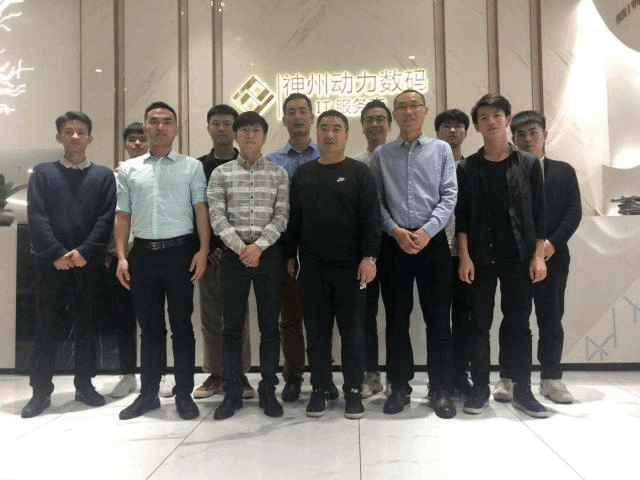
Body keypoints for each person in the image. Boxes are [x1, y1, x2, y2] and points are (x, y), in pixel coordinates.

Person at [456, 94, 549, 418]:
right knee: (478, 325)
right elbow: (462, 218)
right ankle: (480, 389)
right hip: (480, 258)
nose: (491, 121)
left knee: (519, 325)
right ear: (477, 126)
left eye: (496, 115)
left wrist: (538, 256)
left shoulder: (528, 164)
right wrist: (464, 257)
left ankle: (522, 390)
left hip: (519, 257)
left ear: (508, 119)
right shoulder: (467, 167)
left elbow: (539, 215)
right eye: (483, 117)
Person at [115, 101, 209, 421]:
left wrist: (203, 250)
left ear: (176, 129)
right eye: (153, 121)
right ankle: (148, 395)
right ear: (145, 127)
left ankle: (183, 394)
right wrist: (122, 257)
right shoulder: (128, 169)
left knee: (182, 327)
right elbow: (122, 215)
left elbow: (200, 210)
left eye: (166, 121)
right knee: (150, 329)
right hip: (142, 256)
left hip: (181, 254)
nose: (159, 126)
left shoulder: (191, 167)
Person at [22, 111, 116, 418]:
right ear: (59, 137)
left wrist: (84, 251)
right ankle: (40, 392)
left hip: (88, 263)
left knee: (87, 325)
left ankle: (85, 385)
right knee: (45, 326)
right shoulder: (43, 174)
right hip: (50, 264)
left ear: (90, 137)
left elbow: (106, 218)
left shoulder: (103, 176)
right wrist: (56, 253)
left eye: (80, 131)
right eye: (68, 131)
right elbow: (37, 215)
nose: (75, 136)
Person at [287, 110, 380, 419]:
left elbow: (371, 219)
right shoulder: (303, 174)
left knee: (353, 332)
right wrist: (289, 256)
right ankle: (321, 388)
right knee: (316, 331)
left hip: (352, 268)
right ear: (317, 134)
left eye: (337, 128)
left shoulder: (359, 173)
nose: (330, 134)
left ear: (346, 135)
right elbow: (294, 219)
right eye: (324, 128)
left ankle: (353, 390)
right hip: (312, 267)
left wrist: (369, 257)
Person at [371, 89, 457, 419]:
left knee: (439, 319)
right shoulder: (382, 155)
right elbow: (376, 201)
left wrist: (427, 231)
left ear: (425, 111)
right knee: (396, 319)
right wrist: (395, 230)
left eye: (414, 106)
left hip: (432, 243)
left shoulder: (441, 150)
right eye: (402, 107)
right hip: (395, 244)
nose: (408, 112)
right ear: (395, 115)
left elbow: (449, 196)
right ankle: (399, 386)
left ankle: (441, 388)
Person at [492, 110, 581, 404]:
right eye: (520, 134)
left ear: (545, 135)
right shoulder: (507, 170)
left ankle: (551, 378)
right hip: (516, 260)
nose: (528, 139)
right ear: (513, 138)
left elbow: (573, 212)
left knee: (551, 318)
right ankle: (508, 376)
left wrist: (551, 244)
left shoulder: (563, 171)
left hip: (554, 257)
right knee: (513, 319)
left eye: (533, 133)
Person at [209, 111, 289, 420]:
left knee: (270, 327)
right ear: (236, 136)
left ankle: (268, 390)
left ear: (265, 136)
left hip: (268, 256)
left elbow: (281, 216)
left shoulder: (278, 174)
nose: (250, 135)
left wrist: (259, 247)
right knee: (231, 327)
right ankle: (232, 392)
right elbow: (217, 216)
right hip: (234, 257)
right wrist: (242, 248)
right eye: (244, 130)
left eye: (256, 130)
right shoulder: (221, 174)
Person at [266, 93, 338, 402]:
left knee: (322, 318)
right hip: (285, 250)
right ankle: (293, 375)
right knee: (291, 317)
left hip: (323, 249)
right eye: (291, 112)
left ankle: (324, 374)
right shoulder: (272, 161)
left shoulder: (328, 154)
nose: (297, 116)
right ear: (284, 120)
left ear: (311, 117)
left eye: (303, 111)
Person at [193, 105, 255, 401]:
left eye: (227, 124)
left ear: (236, 130)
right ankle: (216, 373)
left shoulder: (247, 164)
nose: (221, 129)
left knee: (238, 317)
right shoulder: (196, 167)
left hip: (240, 252)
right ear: (208, 128)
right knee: (210, 316)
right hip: (208, 254)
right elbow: (193, 209)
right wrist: (203, 248)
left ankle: (239, 373)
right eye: (215, 123)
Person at [351, 99, 392, 398]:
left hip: (396, 245)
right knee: (365, 314)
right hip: (364, 250)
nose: (375, 124)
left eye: (380, 119)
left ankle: (398, 377)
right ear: (362, 126)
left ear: (389, 124)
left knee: (397, 314)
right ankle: (371, 374)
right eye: (369, 119)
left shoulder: (399, 159)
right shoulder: (354, 164)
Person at [435, 108, 473, 396]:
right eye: (446, 126)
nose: (452, 130)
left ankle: (461, 373)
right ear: (436, 132)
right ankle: (440, 379)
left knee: (464, 317)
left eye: (458, 126)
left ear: (465, 132)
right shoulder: (430, 166)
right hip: (436, 252)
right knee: (438, 319)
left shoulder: (472, 168)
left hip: (467, 255)